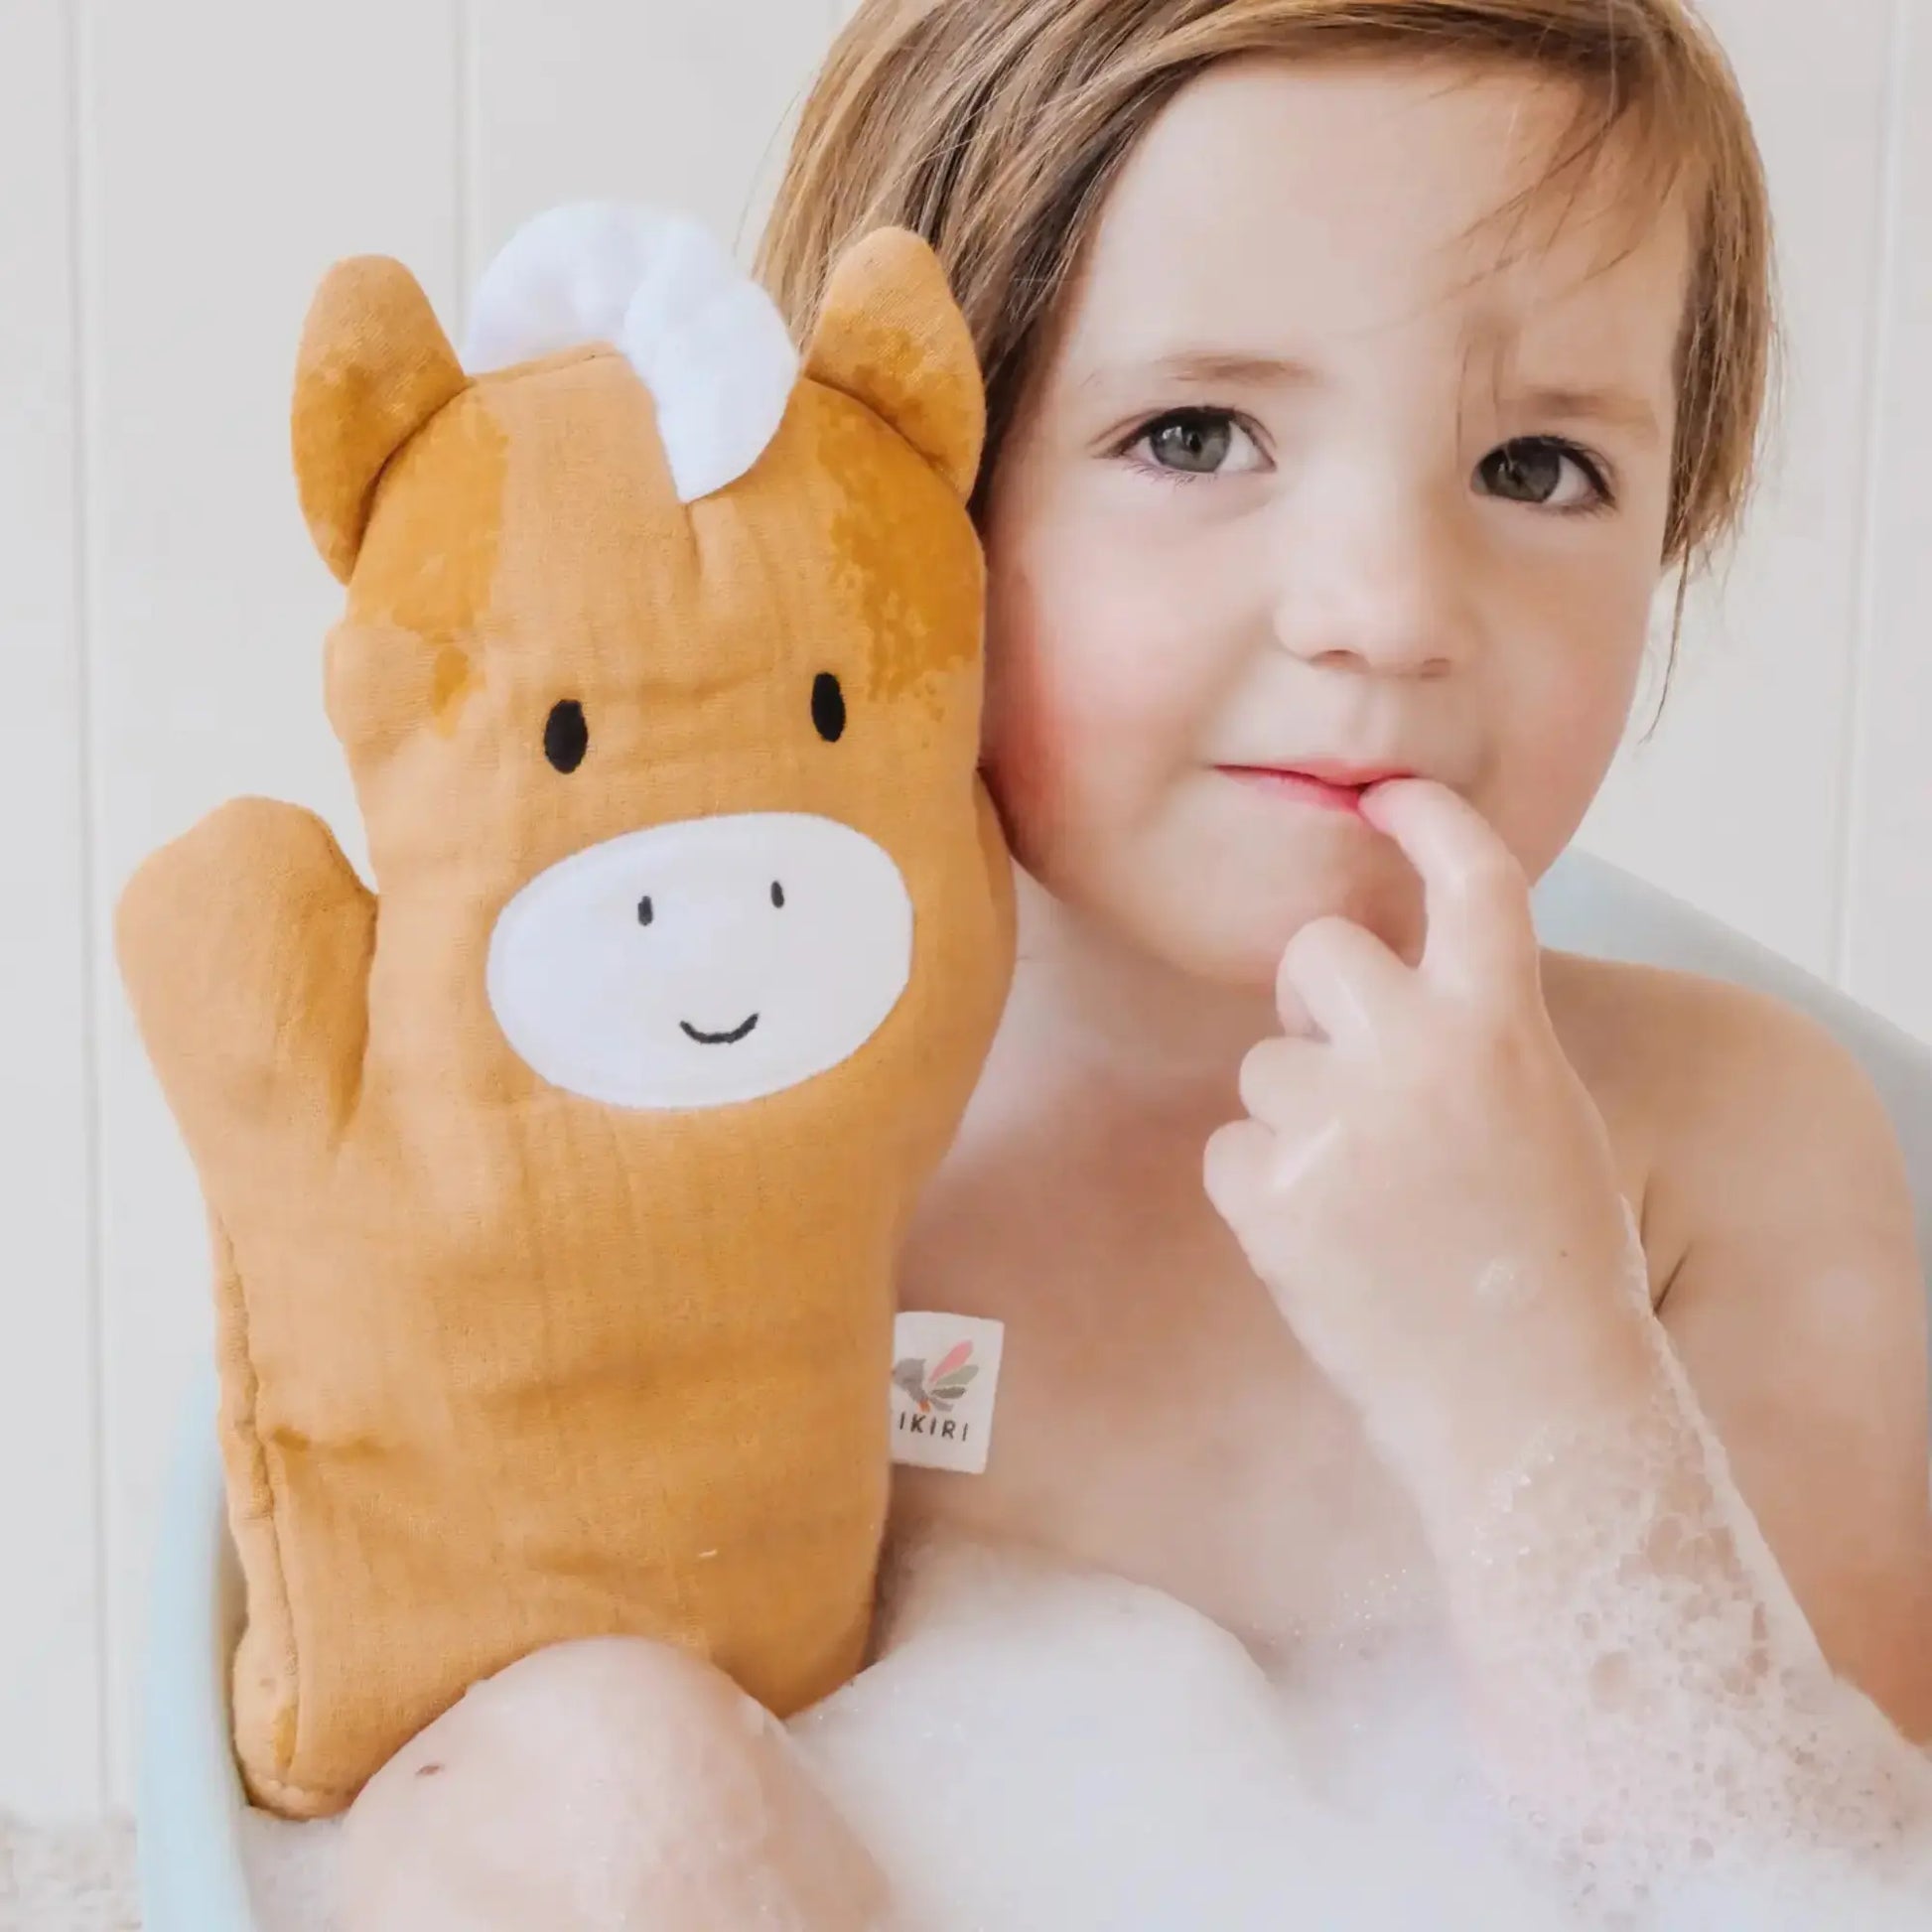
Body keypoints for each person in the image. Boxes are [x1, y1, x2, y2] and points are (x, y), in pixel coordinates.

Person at [344, 4, 1932, 1923]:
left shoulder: (1726, 1149)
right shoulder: (699, 1094)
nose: (1388, 610)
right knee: (595, 1769)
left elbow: (1816, 1863)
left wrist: (1528, 1353)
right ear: (900, 481)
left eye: (1536, 467)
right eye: (1194, 434)